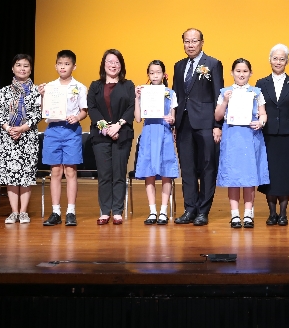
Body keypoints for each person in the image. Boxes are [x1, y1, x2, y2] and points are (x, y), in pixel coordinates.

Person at [172, 28, 224, 226]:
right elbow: (176, 96)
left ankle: (203, 211)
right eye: (187, 41)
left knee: (207, 166)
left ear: (202, 42)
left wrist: (217, 125)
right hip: (183, 124)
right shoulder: (179, 66)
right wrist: (174, 123)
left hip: (206, 123)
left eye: (194, 41)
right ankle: (189, 209)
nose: (190, 45)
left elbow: (218, 95)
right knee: (187, 168)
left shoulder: (213, 64)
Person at [215, 58, 270, 228]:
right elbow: (217, 116)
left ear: (250, 73)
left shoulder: (256, 92)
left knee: (249, 176)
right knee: (233, 177)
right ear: (232, 73)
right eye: (238, 71)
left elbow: (263, 113)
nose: (241, 74)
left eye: (245, 71)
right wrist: (225, 101)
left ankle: (248, 214)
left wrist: (261, 122)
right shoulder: (225, 92)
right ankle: (235, 215)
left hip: (250, 136)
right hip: (232, 137)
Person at [38, 50, 88, 227]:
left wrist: (77, 117)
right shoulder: (49, 87)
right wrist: (42, 95)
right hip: (53, 130)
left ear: (74, 66)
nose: (63, 67)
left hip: (71, 131)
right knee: (55, 172)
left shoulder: (80, 87)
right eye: (60, 63)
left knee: (70, 171)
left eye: (67, 64)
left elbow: (84, 110)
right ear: (55, 66)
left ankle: (71, 211)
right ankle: (56, 211)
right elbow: (43, 111)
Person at [88, 49, 136, 225]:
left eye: (117, 62)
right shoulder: (95, 85)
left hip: (122, 134)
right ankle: (104, 211)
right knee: (104, 175)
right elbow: (92, 108)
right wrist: (106, 127)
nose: (113, 65)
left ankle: (117, 211)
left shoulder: (128, 85)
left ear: (121, 65)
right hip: (100, 136)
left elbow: (132, 107)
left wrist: (118, 126)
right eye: (110, 61)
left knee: (119, 173)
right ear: (104, 64)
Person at [256, 44, 289, 226]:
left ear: (287, 61)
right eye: (275, 58)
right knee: (269, 174)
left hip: (288, 136)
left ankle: (283, 213)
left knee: (285, 174)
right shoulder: (261, 83)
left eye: (282, 59)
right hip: (267, 135)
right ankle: (272, 213)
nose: (278, 62)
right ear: (270, 60)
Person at [0, 54, 41, 224]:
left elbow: (38, 114)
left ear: (31, 69)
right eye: (19, 65)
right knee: (11, 175)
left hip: (28, 137)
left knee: (26, 175)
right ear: (12, 68)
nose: (22, 68)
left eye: (26, 66)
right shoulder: (5, 91)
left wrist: (21, 128)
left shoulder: (36, 91)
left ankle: (23, 212)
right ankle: (14, 212)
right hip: (8, 137)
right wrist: (9, 128)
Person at [134, 60, 178, 225]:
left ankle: (163, 211)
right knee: (149, 172)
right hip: (149, 133)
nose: (155, 76)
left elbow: (173, 117)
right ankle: (152, 211)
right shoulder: (143, 92)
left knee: (166, 172)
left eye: (158, 72)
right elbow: (138, 119)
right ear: (148, 75)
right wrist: (137, 98)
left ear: (164, 75)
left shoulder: (170, 93)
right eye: (151, 73)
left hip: (164, 133)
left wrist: (171, 119)